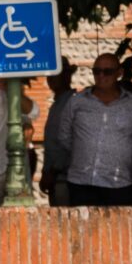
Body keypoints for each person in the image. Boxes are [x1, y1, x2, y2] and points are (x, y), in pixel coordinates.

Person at [64, 54, 132, 208]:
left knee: (118, 224)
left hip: (119, 184)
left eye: (107, 72)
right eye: (97, 71)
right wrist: (83, 152)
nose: (101, 76)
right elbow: (64, 136)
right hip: (81, 182)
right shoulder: (77, 101)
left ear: (119, 73)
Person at [38, 64, 77, 205]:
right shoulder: (56, 104)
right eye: (49, 76)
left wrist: (53, 172)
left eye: (55, 75)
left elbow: (70, 143)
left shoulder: (72, 103)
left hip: (65, 179)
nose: (51, 79)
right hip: (55, 179)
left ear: (67, 76)